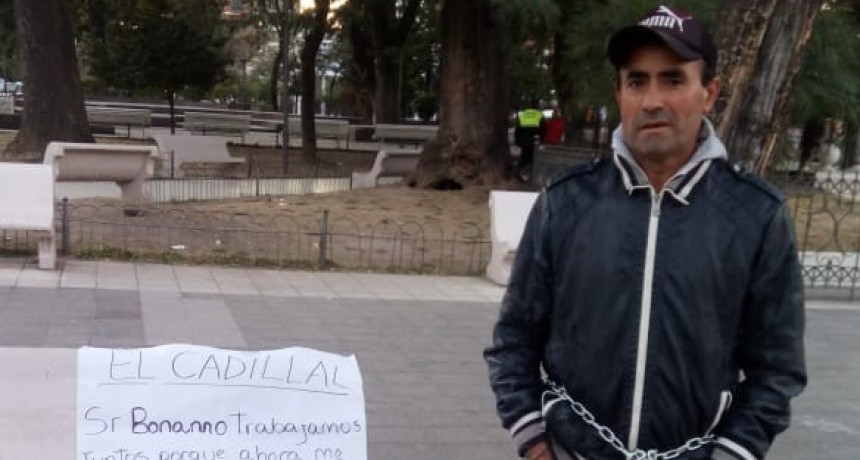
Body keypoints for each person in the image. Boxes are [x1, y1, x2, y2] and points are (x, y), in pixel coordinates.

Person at [484, 5, 806, 460]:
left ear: (709, 94)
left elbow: (777, 368)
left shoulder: (757, 215)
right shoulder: (566, 203)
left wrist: (734, 452)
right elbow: (514, 340)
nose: (652, 100)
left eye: (673, 80)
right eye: (637, 82)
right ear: (620, 94)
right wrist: (534, 442)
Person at [515, 103, 546, 178]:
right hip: (534, 141)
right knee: (533, 158)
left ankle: (521, 172)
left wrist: (517, 141)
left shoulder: (522, 114)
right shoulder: (539, 114)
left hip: (524, 140)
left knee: (524, 157)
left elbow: (517, 130)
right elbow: (543, 129)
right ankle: (532, 174)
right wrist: (542, 141)